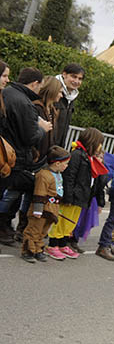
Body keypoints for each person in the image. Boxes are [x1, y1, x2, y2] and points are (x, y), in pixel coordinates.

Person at [0, 67, 52, 244]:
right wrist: (42, 129)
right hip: (12, 158)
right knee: (13, 193)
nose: (6, 79)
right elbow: (29, 137)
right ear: (35, 83)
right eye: (4, 75)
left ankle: (7, 227)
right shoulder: (24, 103)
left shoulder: (7, 93)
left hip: (7, 155)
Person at [47, 127, 105, 259]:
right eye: (99, 142)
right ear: (92, 141)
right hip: (73, 196)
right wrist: (68, 196)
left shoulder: (89, 157)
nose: (100, 146)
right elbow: (69, 177)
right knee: (61, 221)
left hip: (82, 197)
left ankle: (62, 244)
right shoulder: (77, 155)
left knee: (70, 222)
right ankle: (52, 245)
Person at [20, 146, 69, 262]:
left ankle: (38, 249)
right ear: (57, 163)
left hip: (51, 208)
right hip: (41, 208)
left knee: (43, 231)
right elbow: (39, 193)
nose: (67, 166)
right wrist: (37, 210)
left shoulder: (57, 174)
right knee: (34, 230)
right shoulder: (43, 175)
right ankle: (28, 250)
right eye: (65, 163)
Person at [32, 76, 63, 165]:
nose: (61, 95)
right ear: (53, 90)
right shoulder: (36, 108)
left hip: (44, 160)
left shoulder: (53, 111)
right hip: (34, 161)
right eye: (60, 92)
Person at [53, 63, 84, 150]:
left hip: (57, 147)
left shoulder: (72, 97)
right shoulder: (52, 90)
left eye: (80, 79)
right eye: (73, 77)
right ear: (64, 74)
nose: (76, 81)